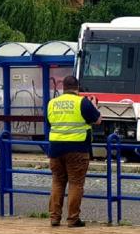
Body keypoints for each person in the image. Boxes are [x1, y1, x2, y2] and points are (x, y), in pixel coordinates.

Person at [47, 75, 101, 227]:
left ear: (63, 88)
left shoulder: (52, 103)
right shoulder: (82, 102)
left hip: (55, 149)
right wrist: (94, 106)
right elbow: (97, 120)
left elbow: (49, 123)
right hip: (77, 149)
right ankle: (72, 219)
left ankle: (54, 218)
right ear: (77, 88)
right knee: (75, 184)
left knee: (57, 182)